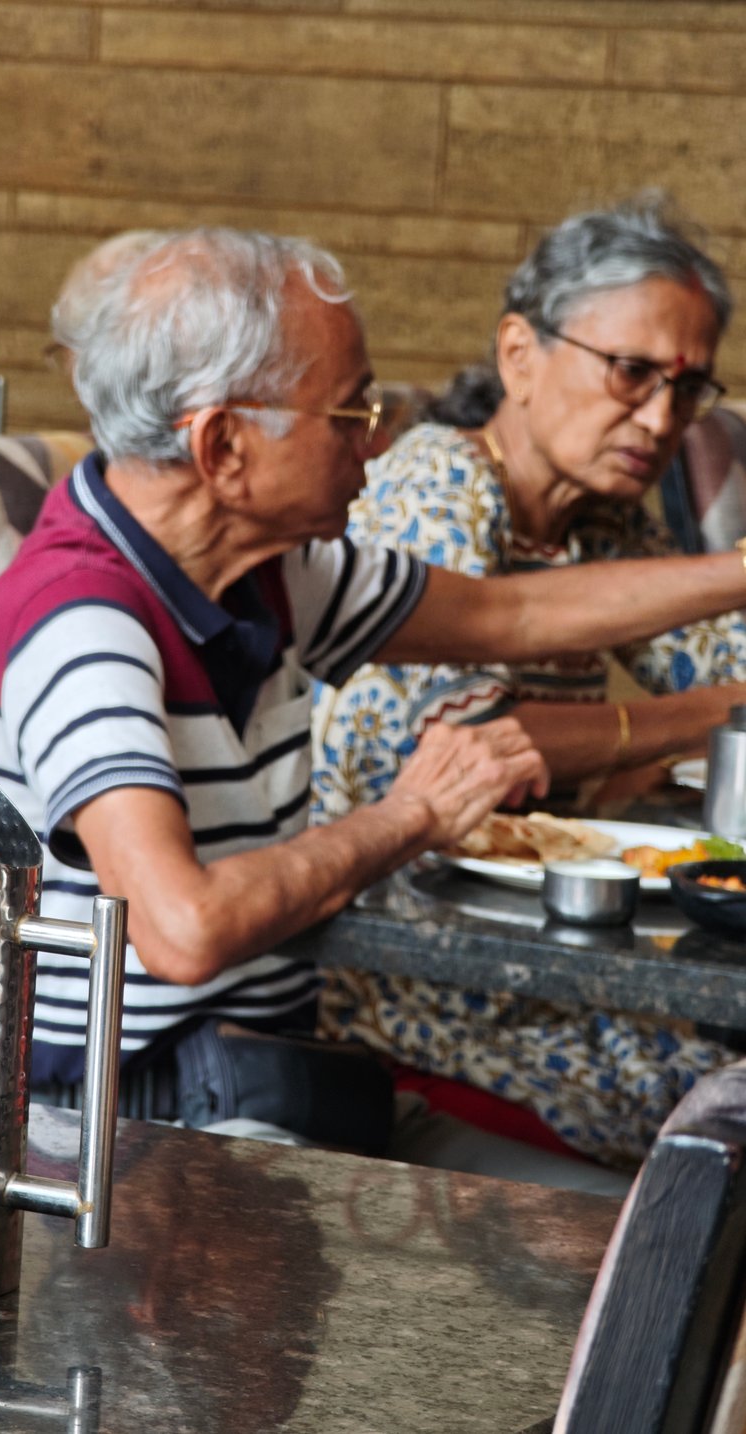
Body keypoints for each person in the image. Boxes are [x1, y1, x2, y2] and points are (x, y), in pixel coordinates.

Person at [0, 226, 746, 1188]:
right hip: (129, 1129)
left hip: (283, 1081)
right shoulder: (84, 624)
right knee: (644, 1233)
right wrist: (413, 814)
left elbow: (511, 614)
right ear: (223, 446)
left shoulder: (274, 572)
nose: (377, 441)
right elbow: (183, 929)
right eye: (349, 413)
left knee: (665, 1228)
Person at [313, 195, 746, 1166]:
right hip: (419, 981)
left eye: (688, 389)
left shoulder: (606, 523)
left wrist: (707, 714)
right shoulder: (437, 481)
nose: (662, 418)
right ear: (520, 353)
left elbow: (735, 681)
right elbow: (464, 751)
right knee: (716, 1114)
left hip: (556, 953)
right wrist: (701, 719)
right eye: (631, 372)